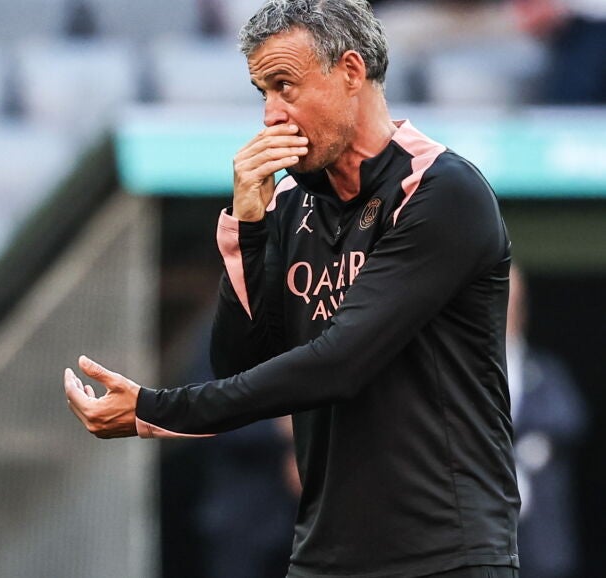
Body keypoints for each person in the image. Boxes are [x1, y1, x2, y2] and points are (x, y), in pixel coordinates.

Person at [64, 1, 519, 576]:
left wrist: (155, 410)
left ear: (350, 71)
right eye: (263, 92)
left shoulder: (440, 191)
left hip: (447, 552)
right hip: (323, 553)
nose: (271, 115)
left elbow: (339, 365)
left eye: (285, 86)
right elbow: (237, 363)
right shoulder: (290, 202)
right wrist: (248, 227)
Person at [507, 267, 587, 578]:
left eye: (513, 302)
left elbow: (571, 420)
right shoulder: (461, 372)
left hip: (541, 546)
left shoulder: (545, 370)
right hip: (481, 541)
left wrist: (531, 449)